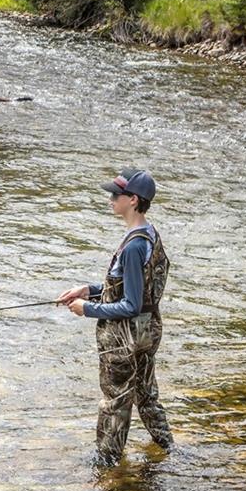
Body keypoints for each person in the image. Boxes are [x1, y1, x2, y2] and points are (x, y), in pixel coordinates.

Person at [56, 169, 172, 467]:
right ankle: (167, 448)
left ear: (133, 200)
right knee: (146, 394)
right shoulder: (149, 235)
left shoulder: (132, 247)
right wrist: (88, 290)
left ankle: (107, 466)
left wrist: (88, 308)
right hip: (148, 332)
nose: (110, 199)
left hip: (124, 340)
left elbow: (130, 304)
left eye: (115, 195)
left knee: (115, 402)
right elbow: (136, 293)